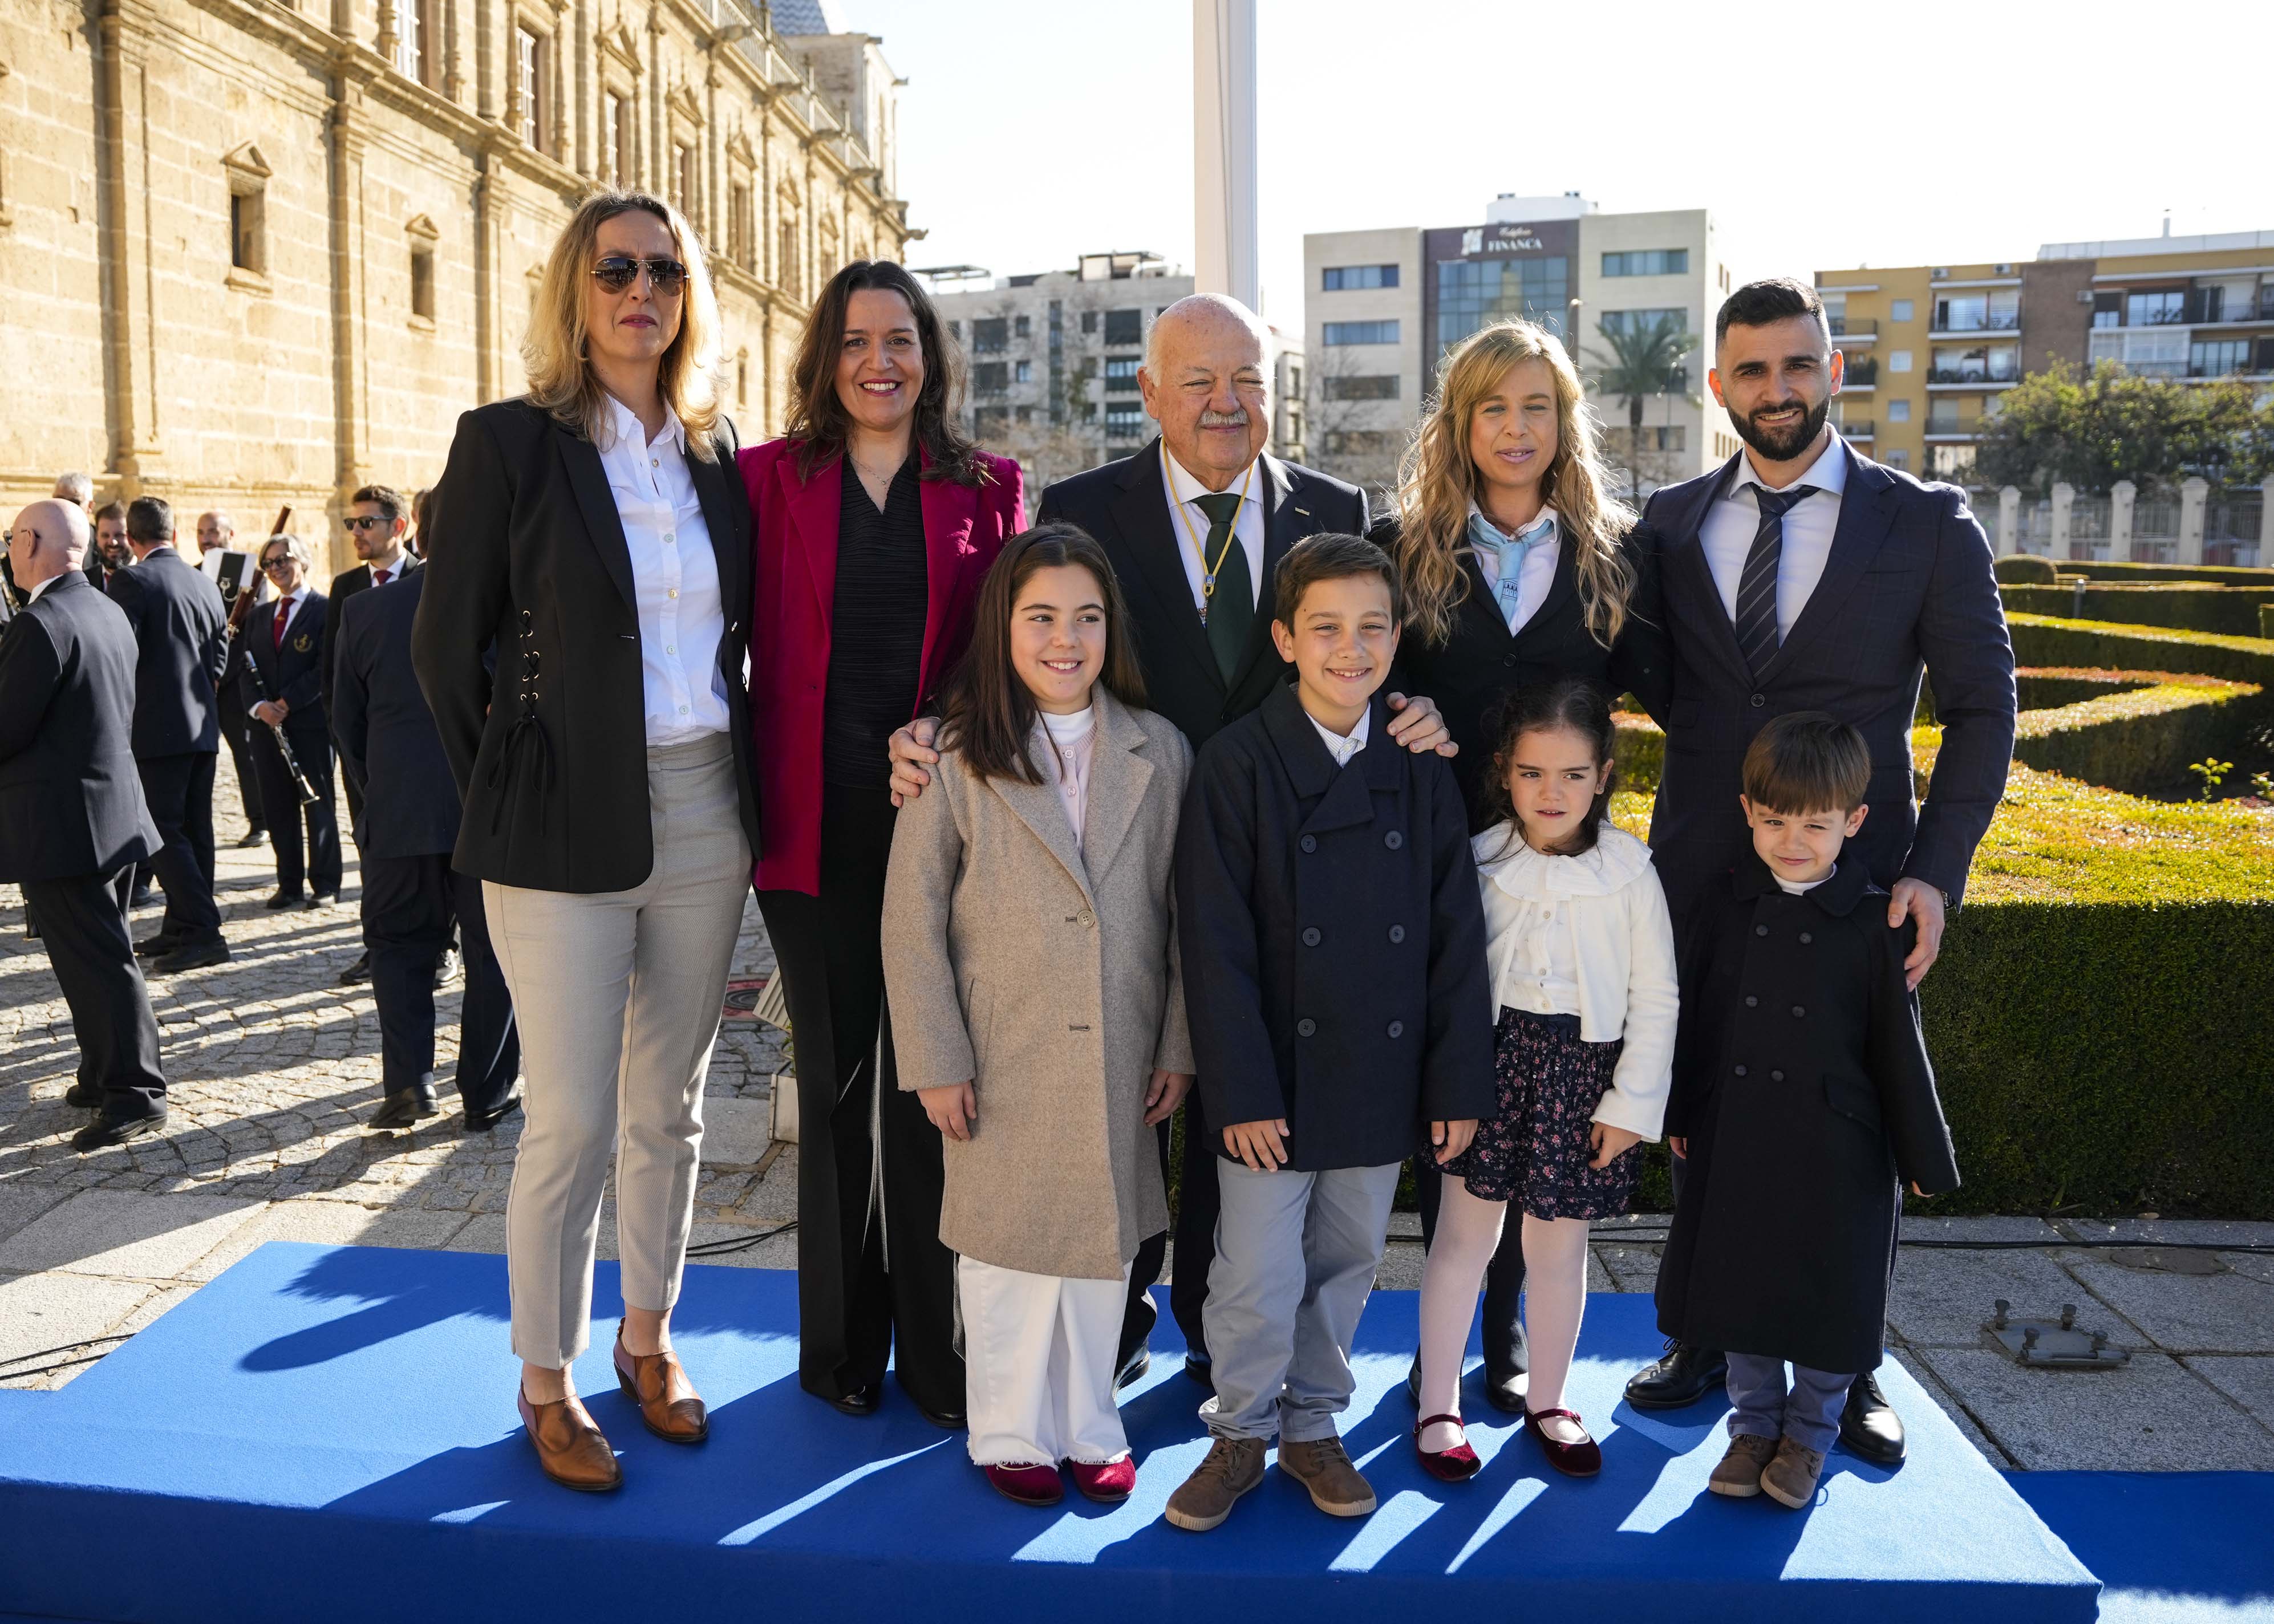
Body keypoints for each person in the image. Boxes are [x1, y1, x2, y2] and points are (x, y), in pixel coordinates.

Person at [893, 292, 1457, 1397]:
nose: (1223, 402)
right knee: (1126, 1090)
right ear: (1150, 393)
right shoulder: (1084, 506)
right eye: (1197, 381)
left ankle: (1219, 1328)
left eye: (1245, 378)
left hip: (1288, 868)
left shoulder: (1335, 505)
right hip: (1127, 856)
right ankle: (1111, 1314)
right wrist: (933, 729)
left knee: (1239, 1093)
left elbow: (1361, 649)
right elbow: (1033, 640)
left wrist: (1417, 710)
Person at [1621, 277, 2015, 1463]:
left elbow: (1983, 707)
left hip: (1857, 880)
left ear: (1832, 370)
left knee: (1850, 1118)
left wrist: (1934, 870)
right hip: (1702, 873)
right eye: (1750, 369)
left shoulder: (1925, 522)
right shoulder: (1667, 524)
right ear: (1717, 386)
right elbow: (1639, 680)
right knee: (1705, 1102)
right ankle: (1704, 1329)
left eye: (1797, 365)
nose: (1776, 389)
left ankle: (1850, 1364)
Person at [413, 188, 758, 1494]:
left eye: (663, 271)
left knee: (668, 1105)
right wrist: (509, 788)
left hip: (705, 805)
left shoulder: (718, 456)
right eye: (615, 269)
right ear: (576, 289)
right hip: (555, 823)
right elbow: (444, 649)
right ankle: (546, 1375)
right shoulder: (508, 444)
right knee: (566, 1117)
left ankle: (648, 1337)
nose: (640, 291)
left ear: (686, 296)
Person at [741, 258, 1023, 1429]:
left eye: (899, 339)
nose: (878, 361)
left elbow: (1002, 651)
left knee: (928, 1091)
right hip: (808, 828)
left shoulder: (989, 487)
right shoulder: (763, 478)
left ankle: (937, 1351)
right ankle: (840, 1346)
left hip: (936, 827)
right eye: (855, 341)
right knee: (834, 1083)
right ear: (826, 357)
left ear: (929, 355)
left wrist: (943, 725)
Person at [1164, 534, 1493, 1533]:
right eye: (1324, 629)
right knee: (1254, 1272)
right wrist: (1240, 1091)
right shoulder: (1235, 763)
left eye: (1370, 628)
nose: (1350, 649)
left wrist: (1454, 1082)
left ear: (1395, 638)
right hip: (1269, 1079)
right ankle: (1237, 1431)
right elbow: (1211, 945)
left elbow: (1454, 935)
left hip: (1377, 1070)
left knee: (1347, 1262)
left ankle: (1312, 1425)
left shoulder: (1419, 766)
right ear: (1283, 640)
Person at [1376, 316, 1671, 1414]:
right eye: (1492, 407)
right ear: (1459, 423)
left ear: (1563, 421)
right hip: (1436, 864)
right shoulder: (1400, 544)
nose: (1514, 427)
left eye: (1535, 406)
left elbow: (1675, 689)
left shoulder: (1616, 553)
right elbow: (1359, 672)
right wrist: (1399, 704)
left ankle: (1507, 1338)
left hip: (1559, 868)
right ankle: (1442, 1349)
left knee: (1541, 1098)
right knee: (1455, 1099)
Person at [881, 525, 1193, 1508]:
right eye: (1041, 617)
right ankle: (1008, 1428)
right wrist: (936, 1057)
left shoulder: (1160, 749)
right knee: (1004, 1248)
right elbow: (911, 919)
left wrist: (1177, 1042)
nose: (1066, 639)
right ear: (1003, 627)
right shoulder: (953, 752)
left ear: (1111, 629)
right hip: (998, 1047)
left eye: (1086, 618)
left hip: (1120, 1042)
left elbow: (1183, 914)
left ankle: (1088, 1422)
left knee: (1103, 1246)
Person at [1658, 712, 1960, 1508]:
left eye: (1815, 826)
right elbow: (1699, 1018)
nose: (1793, 841)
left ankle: (1807, 1438)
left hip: (1839, 1149)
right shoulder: (1723, 904)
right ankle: (1752, 1428)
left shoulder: (1873, 922)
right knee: (1741, 1286)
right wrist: (1682, 1111)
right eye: (1774, 821)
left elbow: (1898, 1047)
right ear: (1747, 813)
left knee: (1831, 1297)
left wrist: (1920, 1155)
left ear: (1853, 822)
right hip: (1739, 1132)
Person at [1411, 679, 1676, 1484]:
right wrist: (1447, 1088)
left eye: (1571, 774)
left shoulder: (1630, 872)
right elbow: (1444, 982)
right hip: (1485, 1068)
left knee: (1558, 1249)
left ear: (1603, 777)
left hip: (1582, 1080)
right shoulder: (1480, 859)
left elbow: (1656, 996)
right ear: (1503, 772)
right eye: (1531, 773)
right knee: (1462, 1241)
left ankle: (1551, 1400)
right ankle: (1436, 1405)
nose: (1550, 792)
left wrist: (1629, 1106)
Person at [0, 501, 169, 1152]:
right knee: (92, 956)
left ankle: (136, 1092)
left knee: (101, 961)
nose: (9, 550)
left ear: (32, 542)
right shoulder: (103, 606)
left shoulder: (40, 622)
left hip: (67, 827)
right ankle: (102, 1073)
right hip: (108, 814)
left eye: (12, 538)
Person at [334, 566, 521, 1132]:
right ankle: (486, 1093)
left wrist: (383, 793)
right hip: (484, 814)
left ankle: (409, 1085)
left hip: (399, 812)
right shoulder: (509, 606)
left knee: (398, 947)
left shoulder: (366, 610)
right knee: (494, 953)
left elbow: (346, 725)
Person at [108, 497, 233, 972]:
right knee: (196, 830)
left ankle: (204, 931)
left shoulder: (132, 580)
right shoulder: (204, 581)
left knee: (161, 831)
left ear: (131, 539)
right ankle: (182, 924)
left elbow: (121, 655)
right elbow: (220, 654)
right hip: (202, 725)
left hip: (156, 729)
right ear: (175, 534)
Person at [325, 485, 420, 985]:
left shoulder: (429, 577)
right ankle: (377, 940)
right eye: (352, 524)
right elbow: (334, 676)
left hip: (423, 754)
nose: (356, 532)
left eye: (367, 523)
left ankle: (442, 946)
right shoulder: (345, 588)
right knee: (374, 849)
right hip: (367, 753)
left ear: (398, 526)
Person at [241, 533, 342, 908]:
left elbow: (326, 667)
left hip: (309, 724)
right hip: (267, 727)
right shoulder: (258, 616)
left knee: (318, 802)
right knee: (277, 806)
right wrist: (260, 708)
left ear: (302, 561)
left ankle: (326, 883)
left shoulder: (325, 609)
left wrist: (285, 703)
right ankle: (289, 883)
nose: (276, 568)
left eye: (283, 560)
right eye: (269, 563)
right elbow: (245, 670)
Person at [196, 510, 269, 850]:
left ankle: (260, 821)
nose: (206, 539)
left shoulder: (250, 575)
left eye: (213, 531)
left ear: (230, 534)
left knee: (246, 755)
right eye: (201, 532)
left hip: (235, 682)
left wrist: (222, 674)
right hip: (200, 683)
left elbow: (251, 631)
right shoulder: (193, 574)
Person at [90, 502, 131, 590]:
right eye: (105, 536)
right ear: (97, 537)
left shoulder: (149, 579)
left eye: (119, 535)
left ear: (132, 536)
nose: (113, 542)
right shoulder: (86, 581)